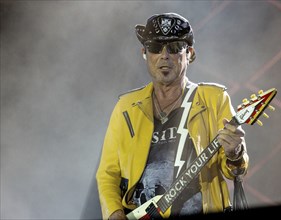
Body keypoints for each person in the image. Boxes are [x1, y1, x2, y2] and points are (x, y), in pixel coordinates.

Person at [96, 12, 249, 220]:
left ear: (190, 53)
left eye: (175, 47)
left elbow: (235, 171)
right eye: (155, 47)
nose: (164, 55)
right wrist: (114, 213)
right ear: (144, 53)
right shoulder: (126, 107)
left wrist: (235, 153)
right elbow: (107, 173)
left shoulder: (214, 99)